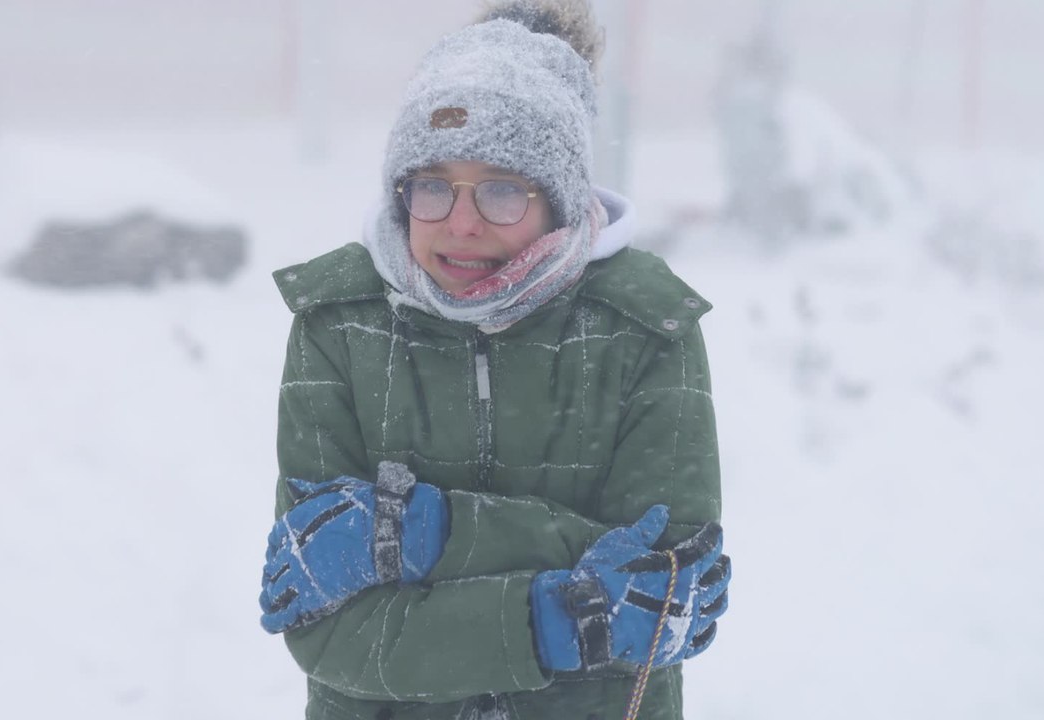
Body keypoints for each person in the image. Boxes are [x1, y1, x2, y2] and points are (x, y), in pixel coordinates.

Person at [259, 2, 730, 718]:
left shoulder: (644, 329)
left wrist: (424, 535)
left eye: (503, 189)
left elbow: (663, 595)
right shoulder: (339, 324)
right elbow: (325, 629)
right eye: (432, 185)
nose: (461, 222)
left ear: (559, 201)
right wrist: (561, 617)